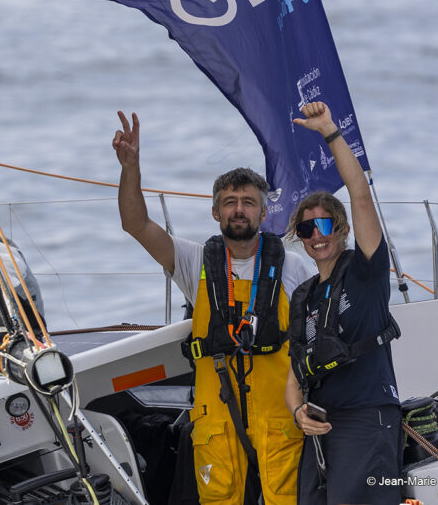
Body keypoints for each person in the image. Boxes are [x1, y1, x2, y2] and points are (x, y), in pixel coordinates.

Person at [113, 111, 309, 505]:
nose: (239, 209)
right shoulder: (194, 261)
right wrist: (130, 168)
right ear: (215, 212)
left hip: (279, 416)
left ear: (263, 212)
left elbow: (316, 337)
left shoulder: (294, 266)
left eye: (248, 202)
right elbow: (136, 225)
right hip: (216, 419)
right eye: (230, 202)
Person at [284, 101, 402, 505]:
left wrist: (330, 132)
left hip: (366, 419)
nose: (316, 235)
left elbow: (360, 195)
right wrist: (298, 413)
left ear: (342, 228)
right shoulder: (303, 296)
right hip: (320, 428)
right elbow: (293, 376)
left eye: (324, 225)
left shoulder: (364, 271)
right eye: (306, 229)